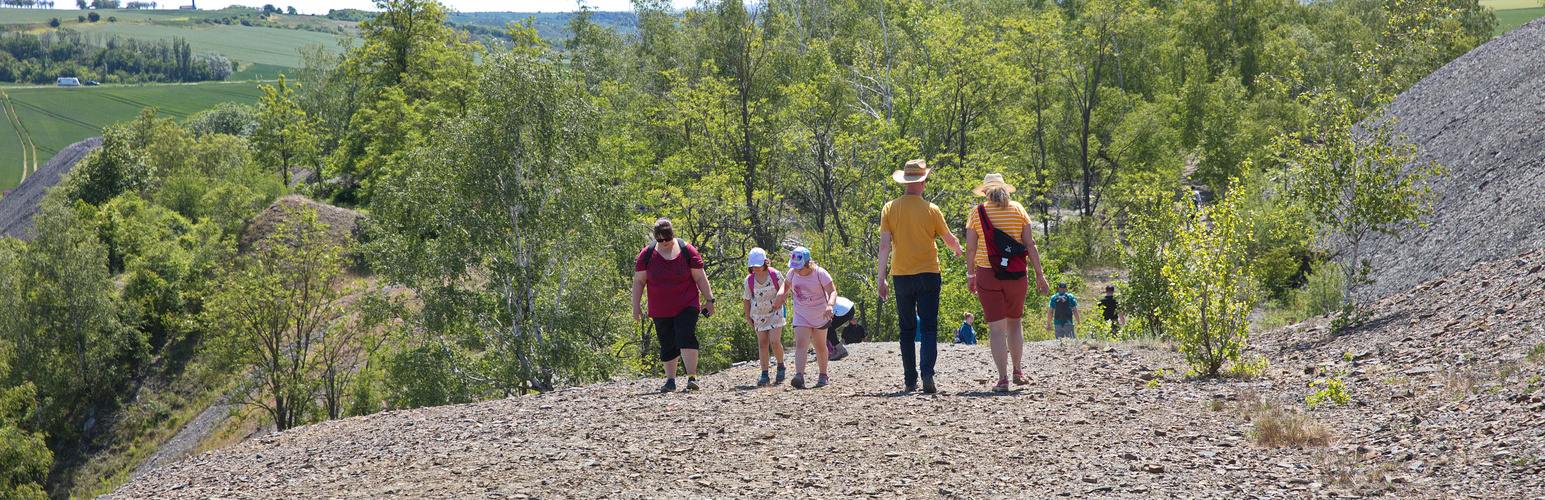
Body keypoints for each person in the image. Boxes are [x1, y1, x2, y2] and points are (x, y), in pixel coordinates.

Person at [877, 159, 963, 393]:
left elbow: (884, 245)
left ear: (905, 182)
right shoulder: (931, 209)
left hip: (901, 274)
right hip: (928, 273)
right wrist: (958, 250)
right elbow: (949, 239)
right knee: (928, 327)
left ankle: (909, 380)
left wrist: (880, 278)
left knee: (906, 330)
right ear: (923, 181)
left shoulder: (890, 208)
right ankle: (927, 375)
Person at [963, 173, 1050, 392]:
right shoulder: (1018, 209)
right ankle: (1018, 371)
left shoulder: (977, 212)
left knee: (996, 328)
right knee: (1015, 322)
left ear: (985, 192)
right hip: (1017, 273)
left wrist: (971, 276)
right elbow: (1030, 244)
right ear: (1004, 190)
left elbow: (971, 249)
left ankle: (1002, 379)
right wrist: (1040, 274)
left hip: (987, 273)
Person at [632, 219, 717, 393]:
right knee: (667, 342)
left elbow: (700, 277)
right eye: (660, 240)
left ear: (673, 235)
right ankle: (670, 381)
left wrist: (709, 300)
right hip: (660, 307)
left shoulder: (687, 250)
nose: (664, 243)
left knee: (685, 335)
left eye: (667, 239)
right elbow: (639, 281)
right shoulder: (647, 255)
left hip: (687, 302)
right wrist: (636, 306)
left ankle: (692, 377)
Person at [785, 247, 837, 388]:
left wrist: (830, 306)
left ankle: (823, 375)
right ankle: (799, 375)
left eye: (800, 268)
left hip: (820, 314)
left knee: (820, 346)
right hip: (801, 314)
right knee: (801, 343)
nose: (797, 271)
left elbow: (832, 291)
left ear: (809, 264)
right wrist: (781, 296)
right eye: (795, 268)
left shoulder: (820, 273)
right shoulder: (792, 273)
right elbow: (786, 286)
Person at [742, 247, 788, 387]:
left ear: (764, 262)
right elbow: (747, 299)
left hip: (775, 312)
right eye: (753, 265)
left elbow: (785, 287)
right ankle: (764, 374)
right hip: (758, 314)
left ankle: (781, 365)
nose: (755, 267)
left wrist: (781, 299)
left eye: (758, 264)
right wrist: (747, 316)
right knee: (762, 343)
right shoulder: (749, 280)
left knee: (774, 341)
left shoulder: (775, 274)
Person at [826, 296, 856, 361]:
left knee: (826, 329)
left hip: (843, 310)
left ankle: (840, 349)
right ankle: (835, 350)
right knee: (830, 327)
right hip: (850, 307)